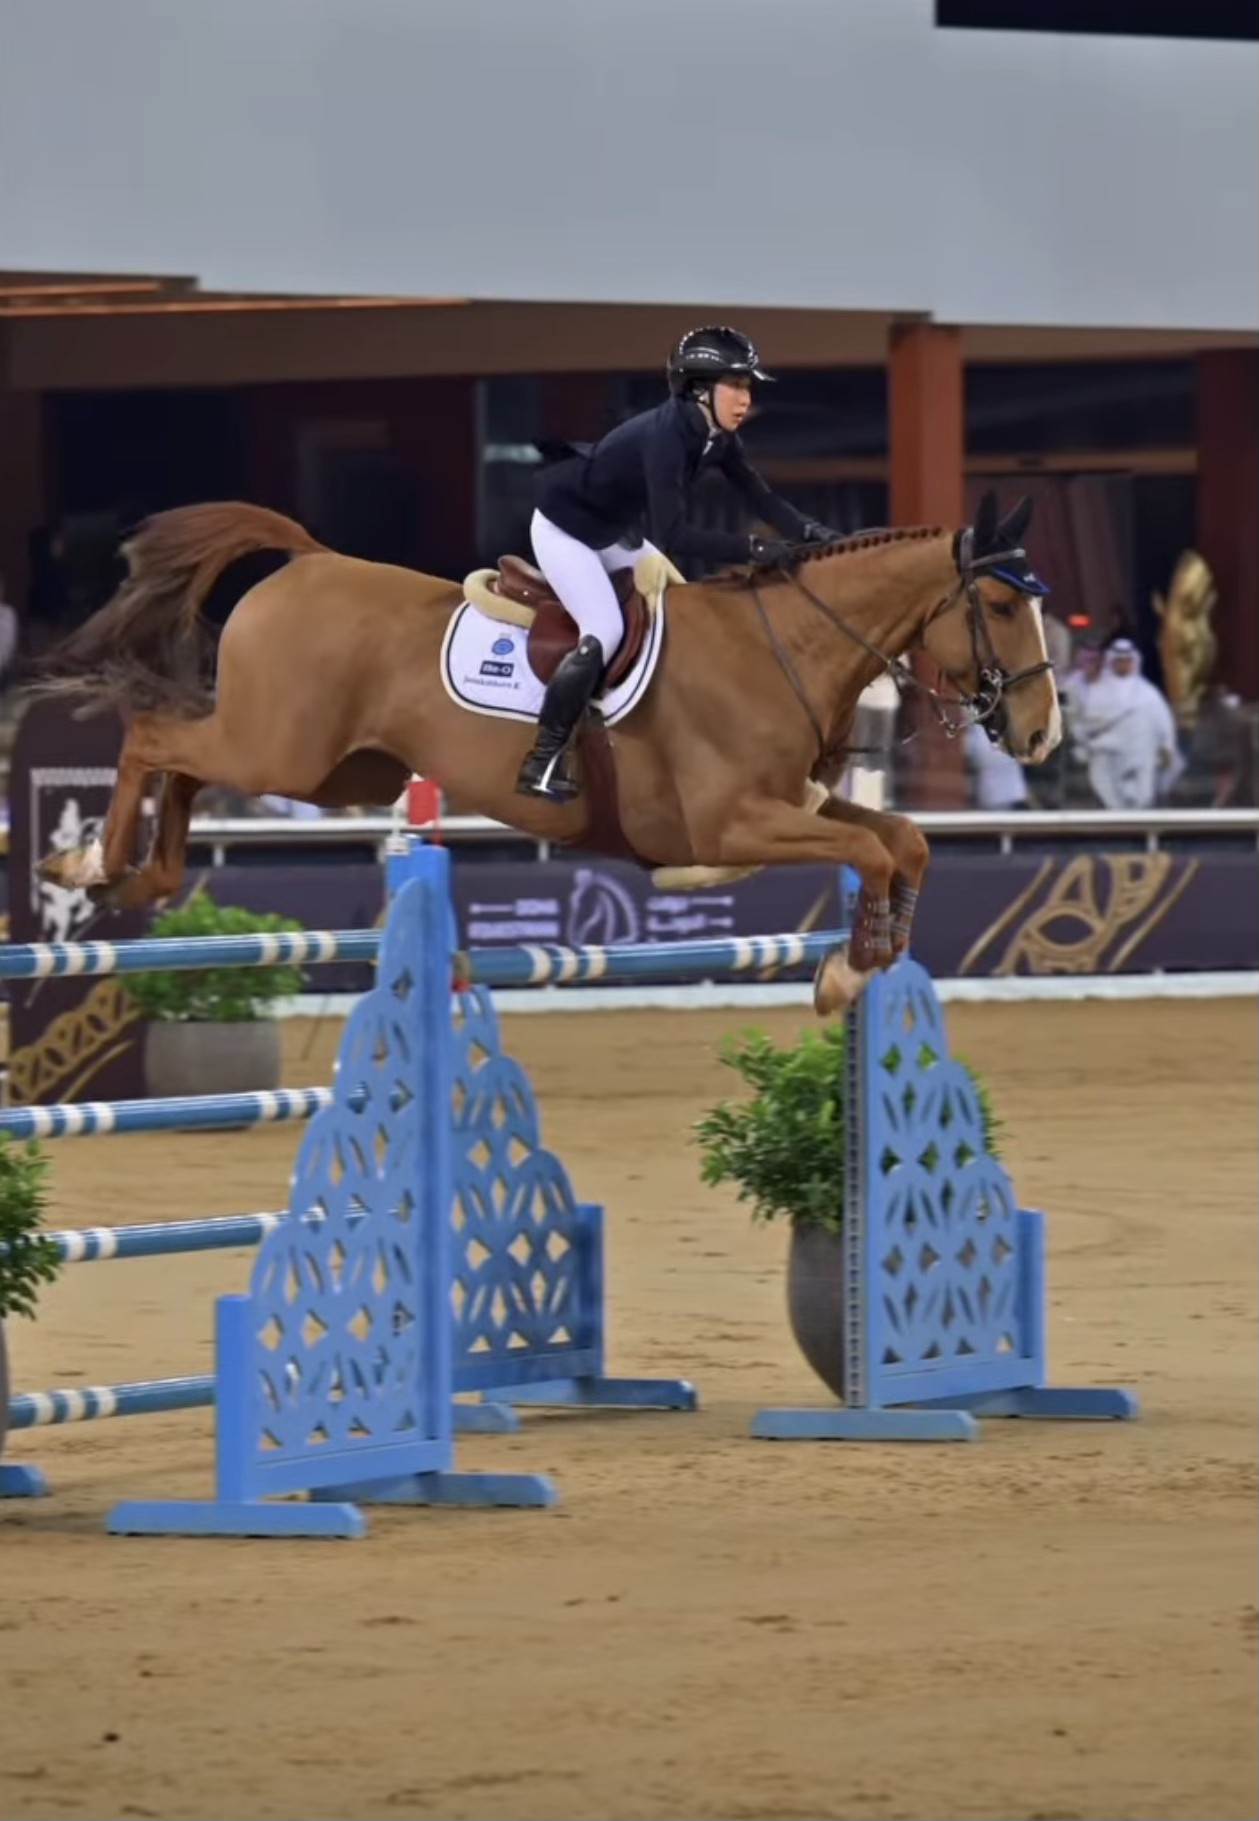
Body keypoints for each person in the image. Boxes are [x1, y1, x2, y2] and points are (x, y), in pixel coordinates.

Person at [515, 325, 840, 801]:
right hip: (566, 532)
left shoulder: (716, 437)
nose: (745, 399)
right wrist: (754, 551)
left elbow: (761, 498)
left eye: (748, 387)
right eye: (736, 386)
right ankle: (543, 758)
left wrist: (814, 534)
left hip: (612, 530)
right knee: (604, 630)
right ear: (699, 390)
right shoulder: (665, 437)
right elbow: (674, 536)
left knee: (683, 611)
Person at [1076, 638, 1184, 810]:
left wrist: (1167, 745)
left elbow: (1163, 722)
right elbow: (1089, 724)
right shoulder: (1098, 690)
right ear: (1112, 662)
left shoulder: (1148, 692)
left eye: (1127, 661)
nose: (1123, 664)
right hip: (1108, 753)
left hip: (1142, 753)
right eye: (1119, 661)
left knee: (1143, 793)